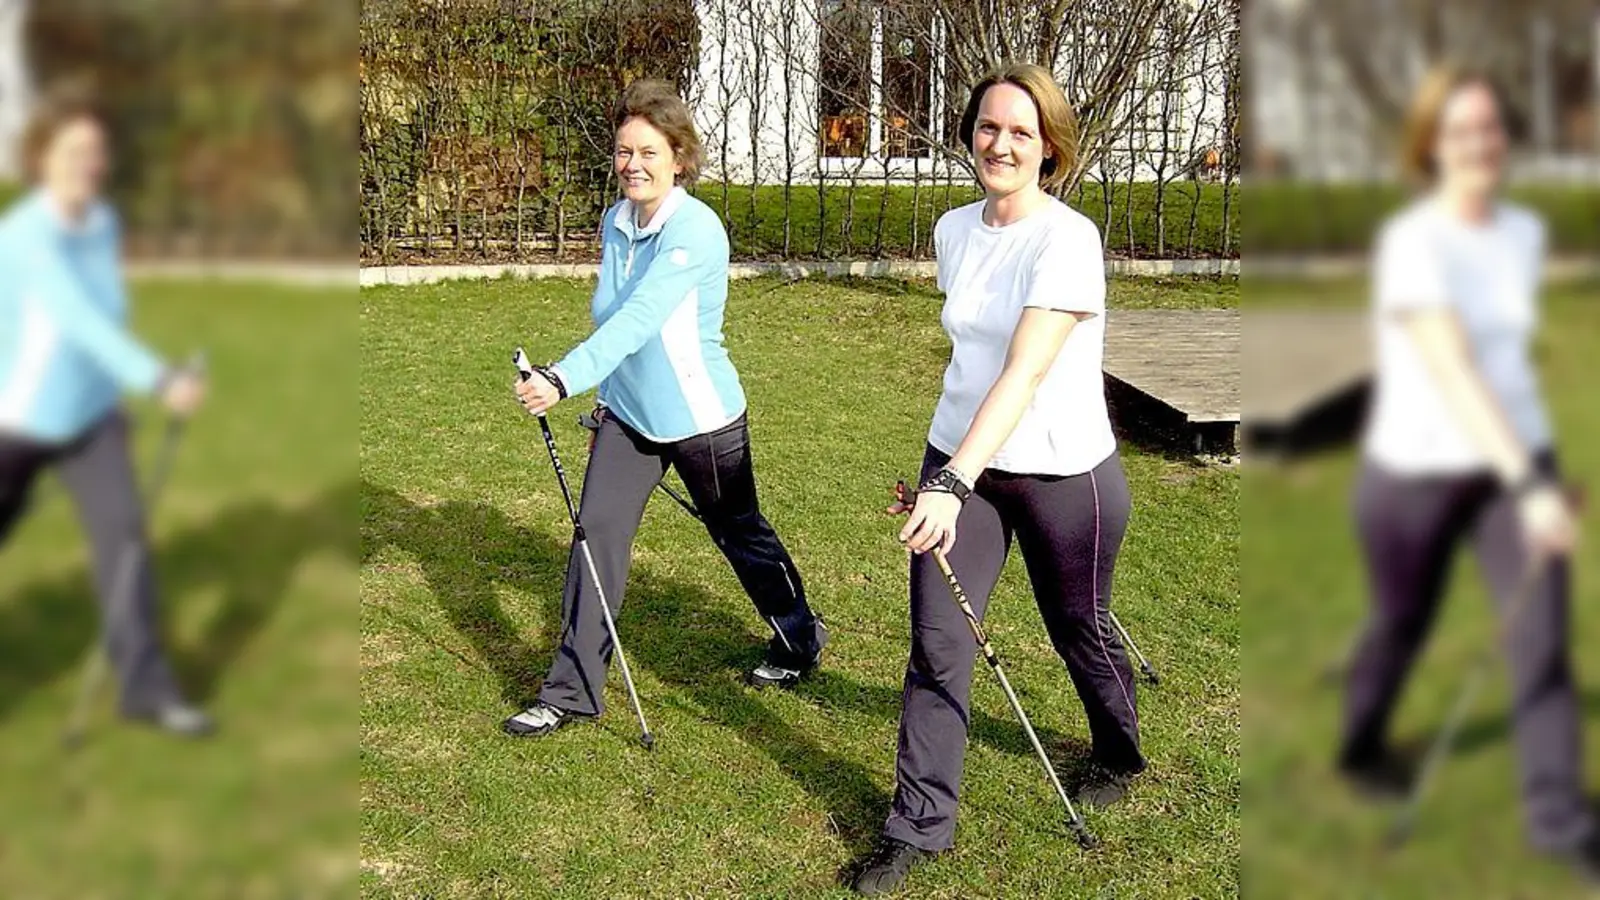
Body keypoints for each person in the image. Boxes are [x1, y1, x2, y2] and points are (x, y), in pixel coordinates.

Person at [850, 63, 1144, 895]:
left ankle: (1119, 749)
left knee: (1078, 627)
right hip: (961, 464)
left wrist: (949, 483)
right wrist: (949, 476)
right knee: (939, 642)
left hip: (1061, 472)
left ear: (1050, 147)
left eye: (1021, 131)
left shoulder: (1067, 240)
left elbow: (1024, 371)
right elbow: (974, 356)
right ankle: (918, 825)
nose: (1001, 144)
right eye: (988, 127)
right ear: (969, 134)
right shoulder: (954, 229)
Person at [1335, 63, 1600, 877]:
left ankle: (1559, 818)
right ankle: (1361, 740)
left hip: (1511, 462)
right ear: (1430, 144)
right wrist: (1531, 485)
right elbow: (1451, 369)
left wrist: (1533, 471)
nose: (1479, 143)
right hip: (1414, 471)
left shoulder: (1521, 233)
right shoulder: (1412, 243)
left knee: (1540, 635)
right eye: (1459, 130)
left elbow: (1506, 363)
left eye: (1490, 127)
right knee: (1401, 625)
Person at [504, 79, 827, 737]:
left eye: (648, 152)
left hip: (702, 421)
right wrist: (601, 400)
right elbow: (612, 317)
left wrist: (563, 379)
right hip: (628, 416)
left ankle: (799, 637)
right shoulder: (616, 222)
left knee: (740, 535)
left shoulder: (695, 230)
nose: (633, 165)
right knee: (595, 536)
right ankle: (570, 691)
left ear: (678, 157)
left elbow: (640, 321)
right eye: (624, 151)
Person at [0, 86, 211, 736]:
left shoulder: (102, 223)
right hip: (15, 421)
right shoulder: (24, 237)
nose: (88, 164)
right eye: (73, 151)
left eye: (95, 151)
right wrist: (157, 377)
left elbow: (107, 314)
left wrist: (120, 385)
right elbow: (77, 319)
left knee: (124, 541)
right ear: (41, 158)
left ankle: (145, 688)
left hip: (90, 417)